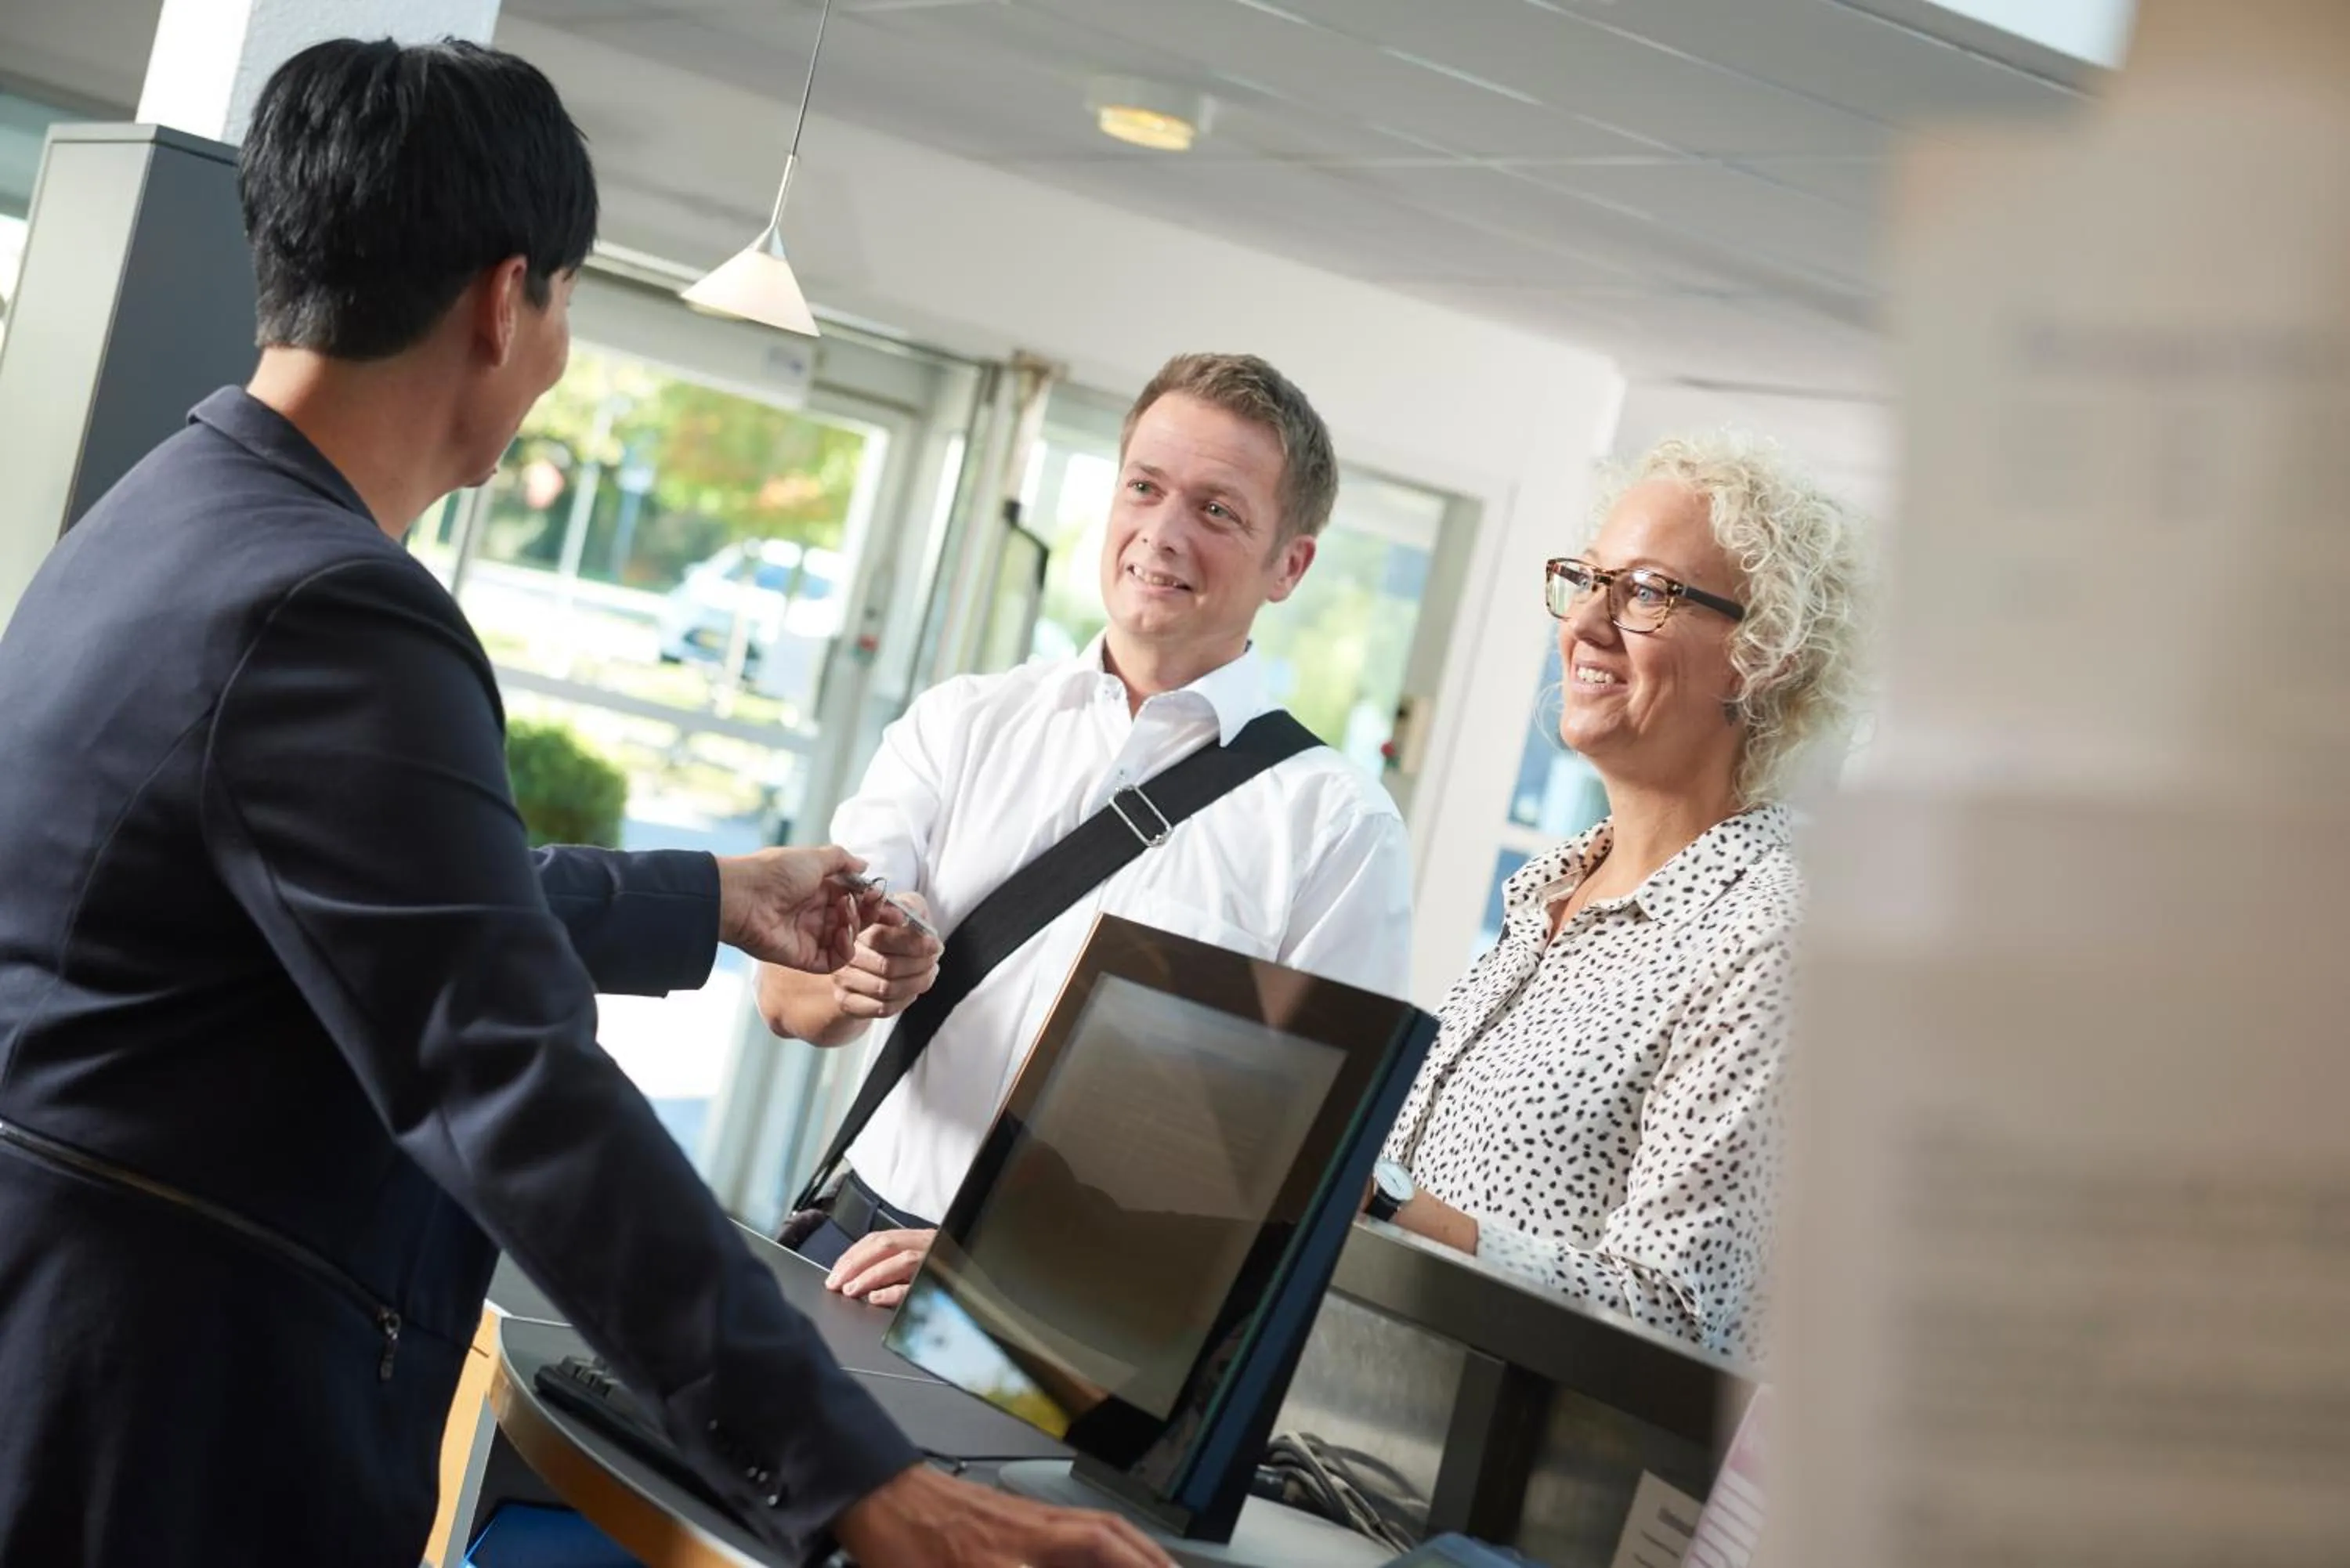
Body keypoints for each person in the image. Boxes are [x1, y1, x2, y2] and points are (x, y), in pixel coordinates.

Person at [0, 38, 1167, 1568]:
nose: (553, 354)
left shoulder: (169, 516)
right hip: (155, 1427)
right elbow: (510, 1082)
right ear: (504, 300)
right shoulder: (339, 607)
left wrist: (714, 897)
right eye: (564, 304)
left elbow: (352, 903)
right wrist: (862, 1482)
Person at [766, 352, 1414, 1303]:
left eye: (1217, 509)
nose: (1161, 532)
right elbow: (786, 990)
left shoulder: (1336, 827)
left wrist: (1005, 1269)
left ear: (1291, 565)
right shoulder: (963, 724)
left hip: (1074, 1315)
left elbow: (1304, 1171)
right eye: (1144, 488)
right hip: (852, 1250)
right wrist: (853, 977)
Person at [1361, 432, 1868, 1365]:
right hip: (1341, 1458)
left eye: (1644, 592)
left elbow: (1677, 1314)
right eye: (1586, 579)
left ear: (1765, 656)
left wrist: (1385, 1201)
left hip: (1494, 1498)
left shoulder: (1773, 932)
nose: (1586, 623)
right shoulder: (1552, 888)